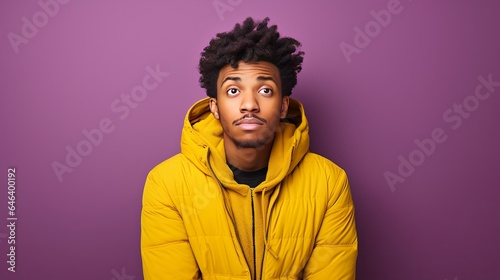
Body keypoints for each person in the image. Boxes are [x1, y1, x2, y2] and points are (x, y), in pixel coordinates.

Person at [141, 17, 358, 279]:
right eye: (233, 91)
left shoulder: (329, 182)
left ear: (284, 106)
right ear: (214, 107)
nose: (249, 104)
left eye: (265, 90)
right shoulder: (167, 183)